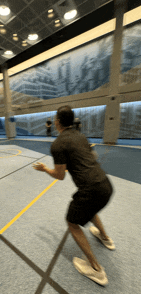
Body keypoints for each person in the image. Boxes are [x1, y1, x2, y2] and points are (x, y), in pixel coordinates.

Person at [33, 105, 115, 286]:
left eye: (55, 118)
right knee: (90, 209)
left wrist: (45, 169)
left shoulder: (58, 144)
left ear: (58, 122)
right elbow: (90, 157)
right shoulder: (81, 136)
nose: (54, 121)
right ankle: (105, 238)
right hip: (106, 184)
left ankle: (96, 269)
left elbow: (60, 175)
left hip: (90, 189)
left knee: (72, 222)